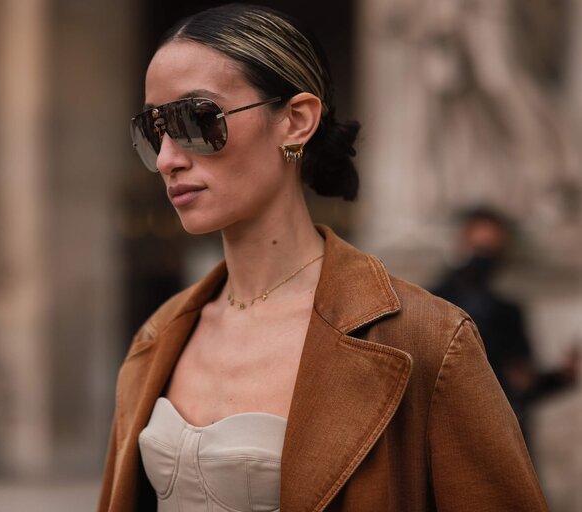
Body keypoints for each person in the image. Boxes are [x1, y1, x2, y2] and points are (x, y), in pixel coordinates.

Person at [99, 5, 547, 511]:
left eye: (196, 120)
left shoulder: (428, 341)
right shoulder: (157, 338)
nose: (167, 159)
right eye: (153, 130)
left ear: (296, 120)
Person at [433, 207, 579, 446]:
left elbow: (521, 382)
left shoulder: (507, 312)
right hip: (453, 432)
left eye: (491, 250)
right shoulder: (436, 303)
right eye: (478, 249)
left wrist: (560, 377)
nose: (483, 260)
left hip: (501, 436)